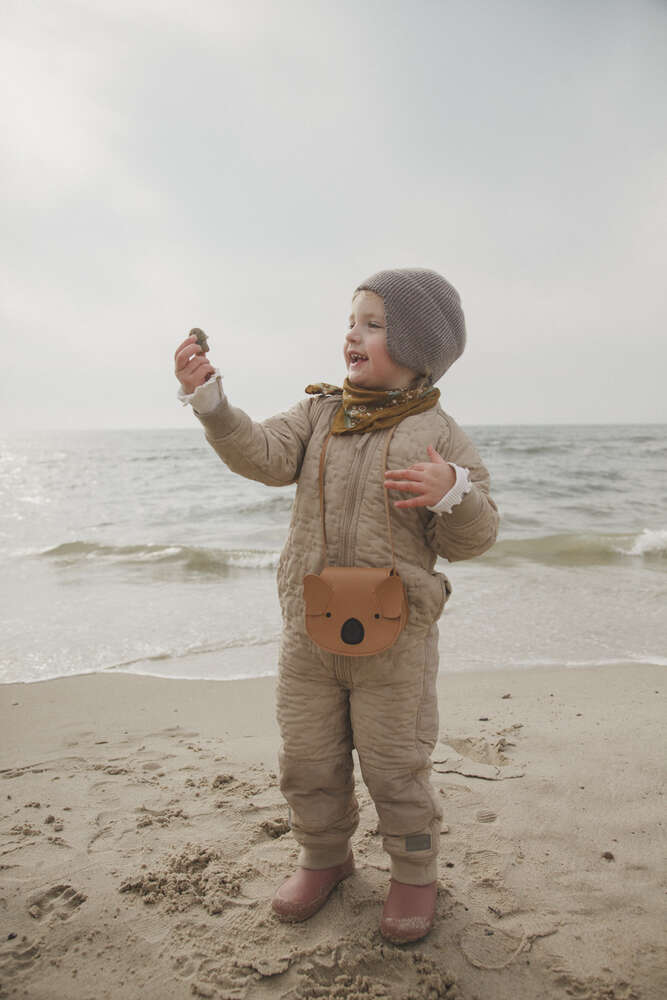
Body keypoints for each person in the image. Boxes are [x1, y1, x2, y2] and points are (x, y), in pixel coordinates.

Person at [174, 268, 499, 943]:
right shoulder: (319, 413)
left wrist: (453, 493)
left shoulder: (440, 437)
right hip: (310, 628)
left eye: (374, 324)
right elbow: (262, 456)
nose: (353, 333)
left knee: (393, 763)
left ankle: (413, 874)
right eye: (353, 320)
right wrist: (210, 403)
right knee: (307, 757)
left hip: (397, 640)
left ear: (417, 345)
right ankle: (324, 858)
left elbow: (474, 538)